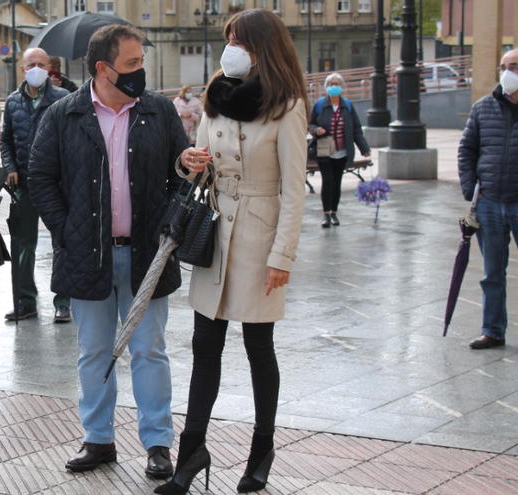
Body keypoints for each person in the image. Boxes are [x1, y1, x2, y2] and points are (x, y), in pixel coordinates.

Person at [156, 9, 308, 494]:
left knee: (258, 347)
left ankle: (261, 448)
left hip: (260, 236)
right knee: (205, 345)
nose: (232, 49)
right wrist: (186, 161)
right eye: (229, 40)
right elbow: (199, 166)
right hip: (216, 235)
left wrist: (282, 256)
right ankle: (192, 451)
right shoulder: (216, 97)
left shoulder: (288, 105)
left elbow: (294, 189)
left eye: (240, 40)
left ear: (264, 46)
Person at [28, 24, 190, 480]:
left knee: (149, 350)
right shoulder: (64, 115)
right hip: (87, 257)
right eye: (132, 64)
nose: (142, 71)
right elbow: (40, 177)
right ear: (103, 69)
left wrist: (168, 227)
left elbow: (183, 172)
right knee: (93, 351)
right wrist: (67, 231)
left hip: (148, 256)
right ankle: (98, 439)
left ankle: (158, 444)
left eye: (142, 62)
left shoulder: (158, 110)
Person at [0, 48, 71, 322]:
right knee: (23, 245)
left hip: (57, 186)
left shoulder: (63, 99)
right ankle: (25, 301)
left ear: (50, 68)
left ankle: (63, 301)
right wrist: (10, 168)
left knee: (61, 242)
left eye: (42, 64)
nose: (37, 68)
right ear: (23, 69)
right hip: (25, 186)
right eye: (32, 64)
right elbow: (5, 141)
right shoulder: (13, 102)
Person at [457, 49, 518, 350]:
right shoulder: (483, 108)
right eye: (503, 66)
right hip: (490, 202)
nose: (507, 72)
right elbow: (467, 149)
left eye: (514, 66)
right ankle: (493, 330)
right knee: (492, 272)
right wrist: (471, 189)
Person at [309, 72, 371, 228]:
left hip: (342, 152)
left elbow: (356, 129)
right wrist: (316, 130)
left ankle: (334, 213)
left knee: (337, 182)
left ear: (341, 87)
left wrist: (364, 148)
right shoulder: (319, 105)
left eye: (337, 84)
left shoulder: (347, 106)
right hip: (325, 151)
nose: (334, 87)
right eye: (331, 84)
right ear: (326, 87)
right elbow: (309, 124)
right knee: (328, 181)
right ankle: (325, 215)